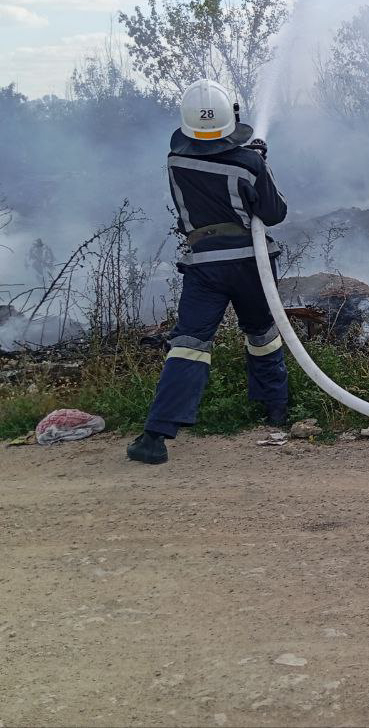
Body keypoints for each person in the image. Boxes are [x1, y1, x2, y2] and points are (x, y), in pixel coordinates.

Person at [127, 79, 289, 465]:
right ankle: (276, 409)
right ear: (229, 119)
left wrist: (250, 159)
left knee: (190, 344)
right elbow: (274, 213)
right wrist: (260, 164)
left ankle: (156, 436)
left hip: (204, 266)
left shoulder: (175, 161)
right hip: (251, 264)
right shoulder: (249, 164)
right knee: (263, 335)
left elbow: (211, 170)